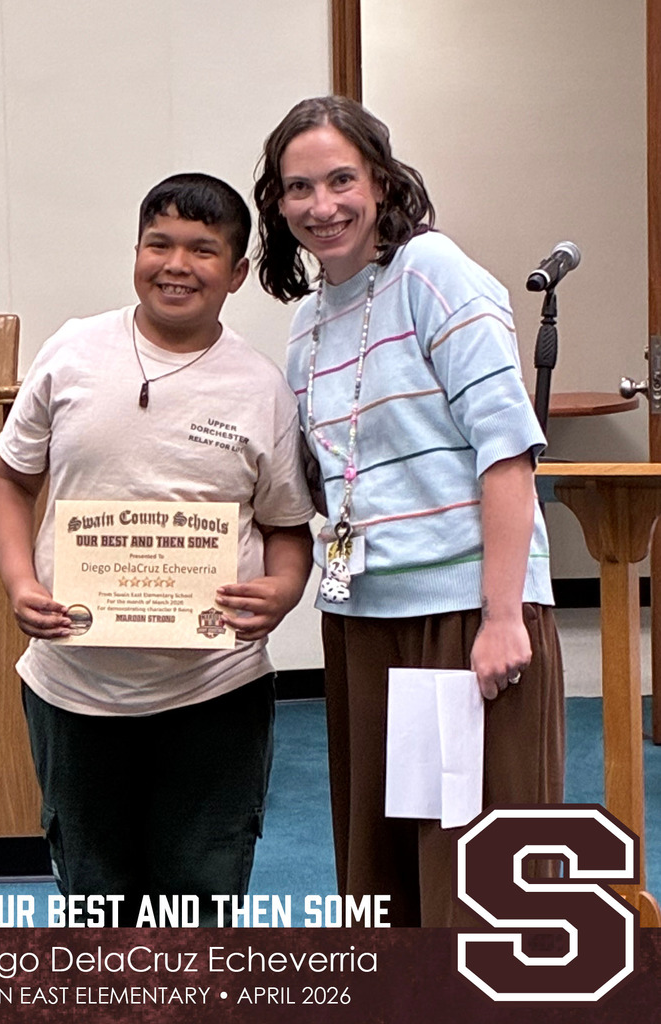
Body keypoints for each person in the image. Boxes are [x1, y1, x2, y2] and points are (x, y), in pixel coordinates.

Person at [254, 96, 564, 927]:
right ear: (276, 206)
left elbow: (504, 449)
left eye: (341, 180)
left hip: (462, 616)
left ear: (383, 182)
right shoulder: (306, 325)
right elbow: (326, 479)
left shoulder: (433, 272)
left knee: (476, 868)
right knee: (385, 867)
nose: (322, 207)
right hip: (365, 618)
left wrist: (504, 617)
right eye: (297, 189)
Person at [0, 172, 314, 926]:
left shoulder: (260, 388)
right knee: (95, 894)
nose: (176, 264)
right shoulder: (72, 351)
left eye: (203, 250)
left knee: (202, 893)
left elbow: (287, 524)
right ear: (134, 252)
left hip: (213, 691)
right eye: (158, 243)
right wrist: (16, 579)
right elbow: (8, 482)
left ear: (235, 274)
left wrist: (285, 587)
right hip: (73, 683)